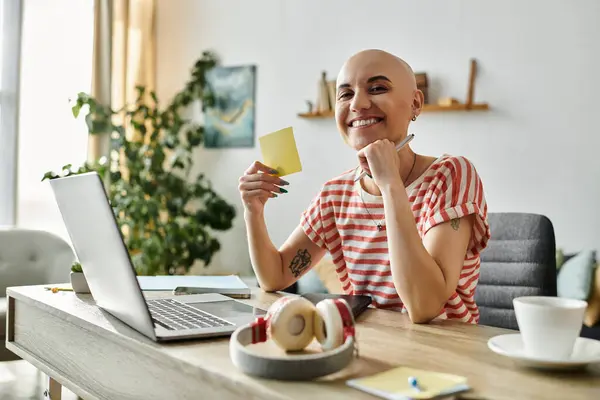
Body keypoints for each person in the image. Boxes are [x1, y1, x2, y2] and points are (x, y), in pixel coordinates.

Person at [238, 49, 491, 324]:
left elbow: (424, 305)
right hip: (368, 346)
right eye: (345, 94)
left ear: (415, 104)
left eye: (378, 88)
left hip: (444, 354)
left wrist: (390, 184)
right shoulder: (335, 195)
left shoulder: (451, 174)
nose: (358, 103)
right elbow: (275, 277)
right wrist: (253, 211)